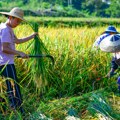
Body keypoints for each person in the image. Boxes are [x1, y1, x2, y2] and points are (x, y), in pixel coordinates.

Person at [0, 7, 37, 114]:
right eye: (17, 20)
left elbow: (17, 41)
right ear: (10, 17)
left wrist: (32, 36)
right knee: (13, 89)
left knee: (7, 88)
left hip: (4, 62)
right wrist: (19, 53)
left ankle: (6, 112)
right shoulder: (6, 30)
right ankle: (19, 113)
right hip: (6, 63)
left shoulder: (5, 27)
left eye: (20, 21)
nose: (18, 23)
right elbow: (5, 48)